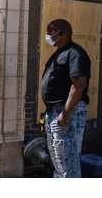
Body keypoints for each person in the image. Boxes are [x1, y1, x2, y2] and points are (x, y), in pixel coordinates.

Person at [41, 19, 91, 178]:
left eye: (50, 32)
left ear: (60, 33)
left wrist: (66, 112)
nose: (47, 36)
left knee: (67, 159)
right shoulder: (59, 53)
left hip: (67, 112)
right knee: (58, 159)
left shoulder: (75, 53)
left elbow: (79, 85)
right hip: (55, 112)